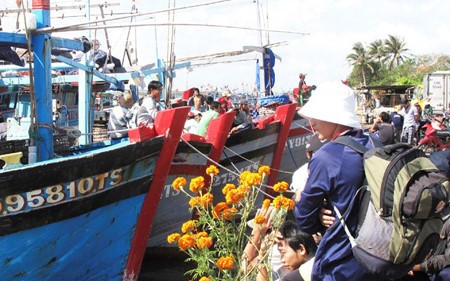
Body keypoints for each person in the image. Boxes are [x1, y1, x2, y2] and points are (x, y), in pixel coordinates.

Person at [294, 81, 377, 281]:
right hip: (378, 256)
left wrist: (304, 201)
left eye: (316, 117)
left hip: (342, 261)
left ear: (334, 117)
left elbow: (304, 218)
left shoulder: (327, 156)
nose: (311, 124)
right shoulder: (375, 143)